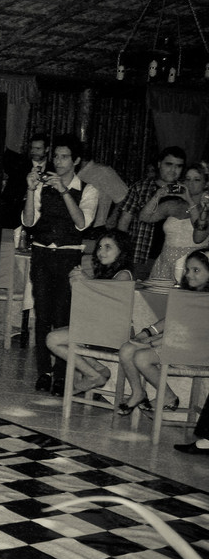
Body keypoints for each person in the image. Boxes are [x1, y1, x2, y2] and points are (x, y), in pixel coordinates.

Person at [23, 133, 99, 393]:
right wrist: (30, 189)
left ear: (76, 160)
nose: (58, 161)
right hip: (42, 253)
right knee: (42, 315)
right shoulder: (42, 184)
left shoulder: (88, 190)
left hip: (69, 256)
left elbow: (82, 223)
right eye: (56, 156)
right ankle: (43, 371)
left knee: (63, 317)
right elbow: (29, 222)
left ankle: (61, 374)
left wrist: (64, 191)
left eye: (64, 157)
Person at [116, 249, 209, 418]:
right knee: (127, 349)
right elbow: (172, 320)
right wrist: (147, 333)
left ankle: (168, 395)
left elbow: (188, 334)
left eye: (196, 270)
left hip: (197, 352)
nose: (189, 275)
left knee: (142, 357)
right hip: (176, 344)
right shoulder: (188, 294)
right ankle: (138, 392)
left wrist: (151, 343)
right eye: (187, 270)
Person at [42, 229, 134, 396]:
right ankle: (99, 369)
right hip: (98, 329)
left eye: (108, 247)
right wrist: (77, 285)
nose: (101, 252)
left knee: (53, 339)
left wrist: (86, 282)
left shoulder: (123, 275)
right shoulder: (105, 272)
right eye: (99, 247)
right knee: (57, 335)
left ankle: (94, 375)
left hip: (112, 333)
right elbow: (91, 305)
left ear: (122, 251)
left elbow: (108, 300)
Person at [116, 146, 186, 278]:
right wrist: (121, 254)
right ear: (159, 164)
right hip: (140, 256)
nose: (173, 170)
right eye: (169, 164)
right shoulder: (141, 187)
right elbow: (124, 222)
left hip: (171, 259)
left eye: (178, 166)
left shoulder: (185, 191)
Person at [140, 162, 209, 280]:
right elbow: (144, 217)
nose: (190, 183)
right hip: (166, 262)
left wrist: (190, 201)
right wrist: (158, 195)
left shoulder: (206, 208)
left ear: (206, 183)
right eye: (187, 179)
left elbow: (199, 237)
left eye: (196, 180)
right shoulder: (174, 205)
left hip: (193, 265)